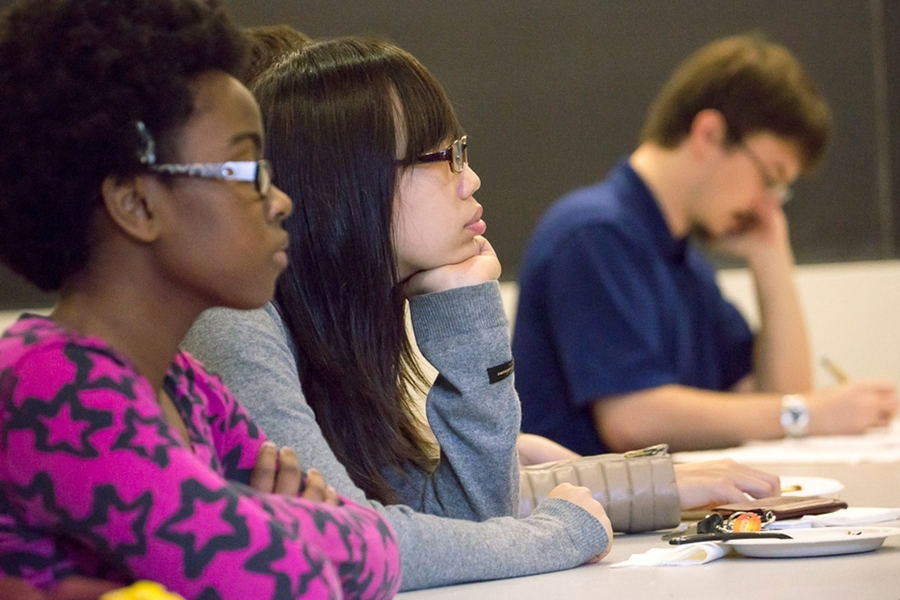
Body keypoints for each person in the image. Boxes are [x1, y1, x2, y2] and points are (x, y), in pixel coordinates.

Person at [182, 35, 781, 591]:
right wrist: (561, 534)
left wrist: (462, 304)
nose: (470, 179)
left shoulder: (342, 322)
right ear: (351, 180)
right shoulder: (235, 319)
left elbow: (459, 510)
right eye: (444, 156)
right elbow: (348, 546)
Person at [0, 1, 399, 598]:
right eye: (246, 168)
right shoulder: (55, 384)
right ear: (137, 205)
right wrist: (285, 525)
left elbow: (380, 552)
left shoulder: (187, 388)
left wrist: (256, 524)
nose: (280, 199)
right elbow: (288, 583)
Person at [512, 34, 899, 457]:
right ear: (710, 133)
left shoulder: (684, 261)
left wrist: (772, 257)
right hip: (581, 518)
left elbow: (774, 393)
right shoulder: (593, 233)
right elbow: (633, 418)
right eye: (770, 178)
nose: (769, 206)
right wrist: (806, 414)